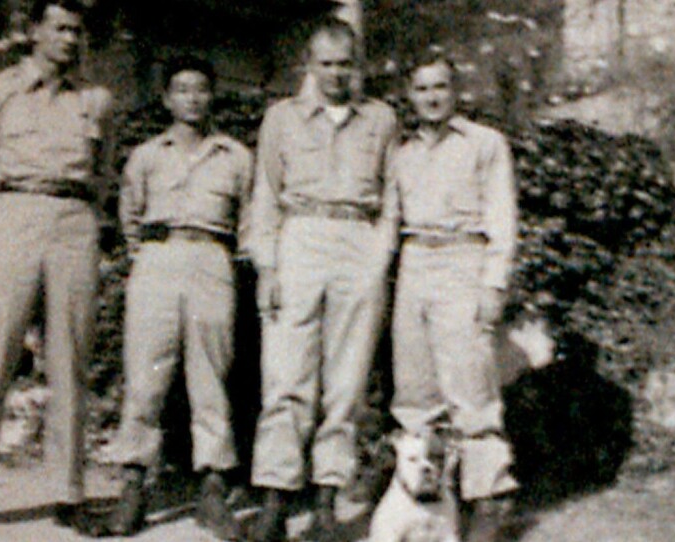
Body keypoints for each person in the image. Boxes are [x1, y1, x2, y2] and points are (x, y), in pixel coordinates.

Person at [0, 0, 113, 533]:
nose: (69, 39)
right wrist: (0, 221)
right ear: (34, 31)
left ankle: (68, 494)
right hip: (13, 216)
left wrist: (83, 216)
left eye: (77, 31)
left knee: (70, 359)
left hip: (73, 221)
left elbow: (104, 172)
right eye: (59, 28)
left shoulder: (96, 100)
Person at [245, 17, 398, 542]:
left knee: (346, 382)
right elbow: (264, 196)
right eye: (326, 64)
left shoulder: (380, 119)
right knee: (286, 377)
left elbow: (392, 199)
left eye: (345, 65)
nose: (336, 75)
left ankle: (328, 500)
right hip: (300, 238)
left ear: (359, 67)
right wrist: (267, 266)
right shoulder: (281, 119)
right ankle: (275, 499)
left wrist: (379, 258)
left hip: (358, 240)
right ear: (308, 66)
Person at [102, 55, 252, 540]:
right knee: (147, 374)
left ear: (213, 96)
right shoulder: (146, 155)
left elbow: (249, 223)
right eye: (182, 89)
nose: (192, 98)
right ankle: (133, 484)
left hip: (212, 259)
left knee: (210, 378)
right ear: (167, 98)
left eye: (201, 89)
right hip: (159, 259)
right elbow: (129, 216)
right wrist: (146, 254)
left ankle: (212, 487)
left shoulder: (235, 156)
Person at [384, 49, 520, 540]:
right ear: (409, 96)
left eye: (439, 87)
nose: (431, 98)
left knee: (470, 388)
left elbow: (503, 217)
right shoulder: (401, 152)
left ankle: (489, 498)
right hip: (415, 261)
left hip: (465, 260)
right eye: (421, 89)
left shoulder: (485, 143)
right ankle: (425, 505)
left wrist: (494, 282)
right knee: (414, 391)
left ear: (455, 91)